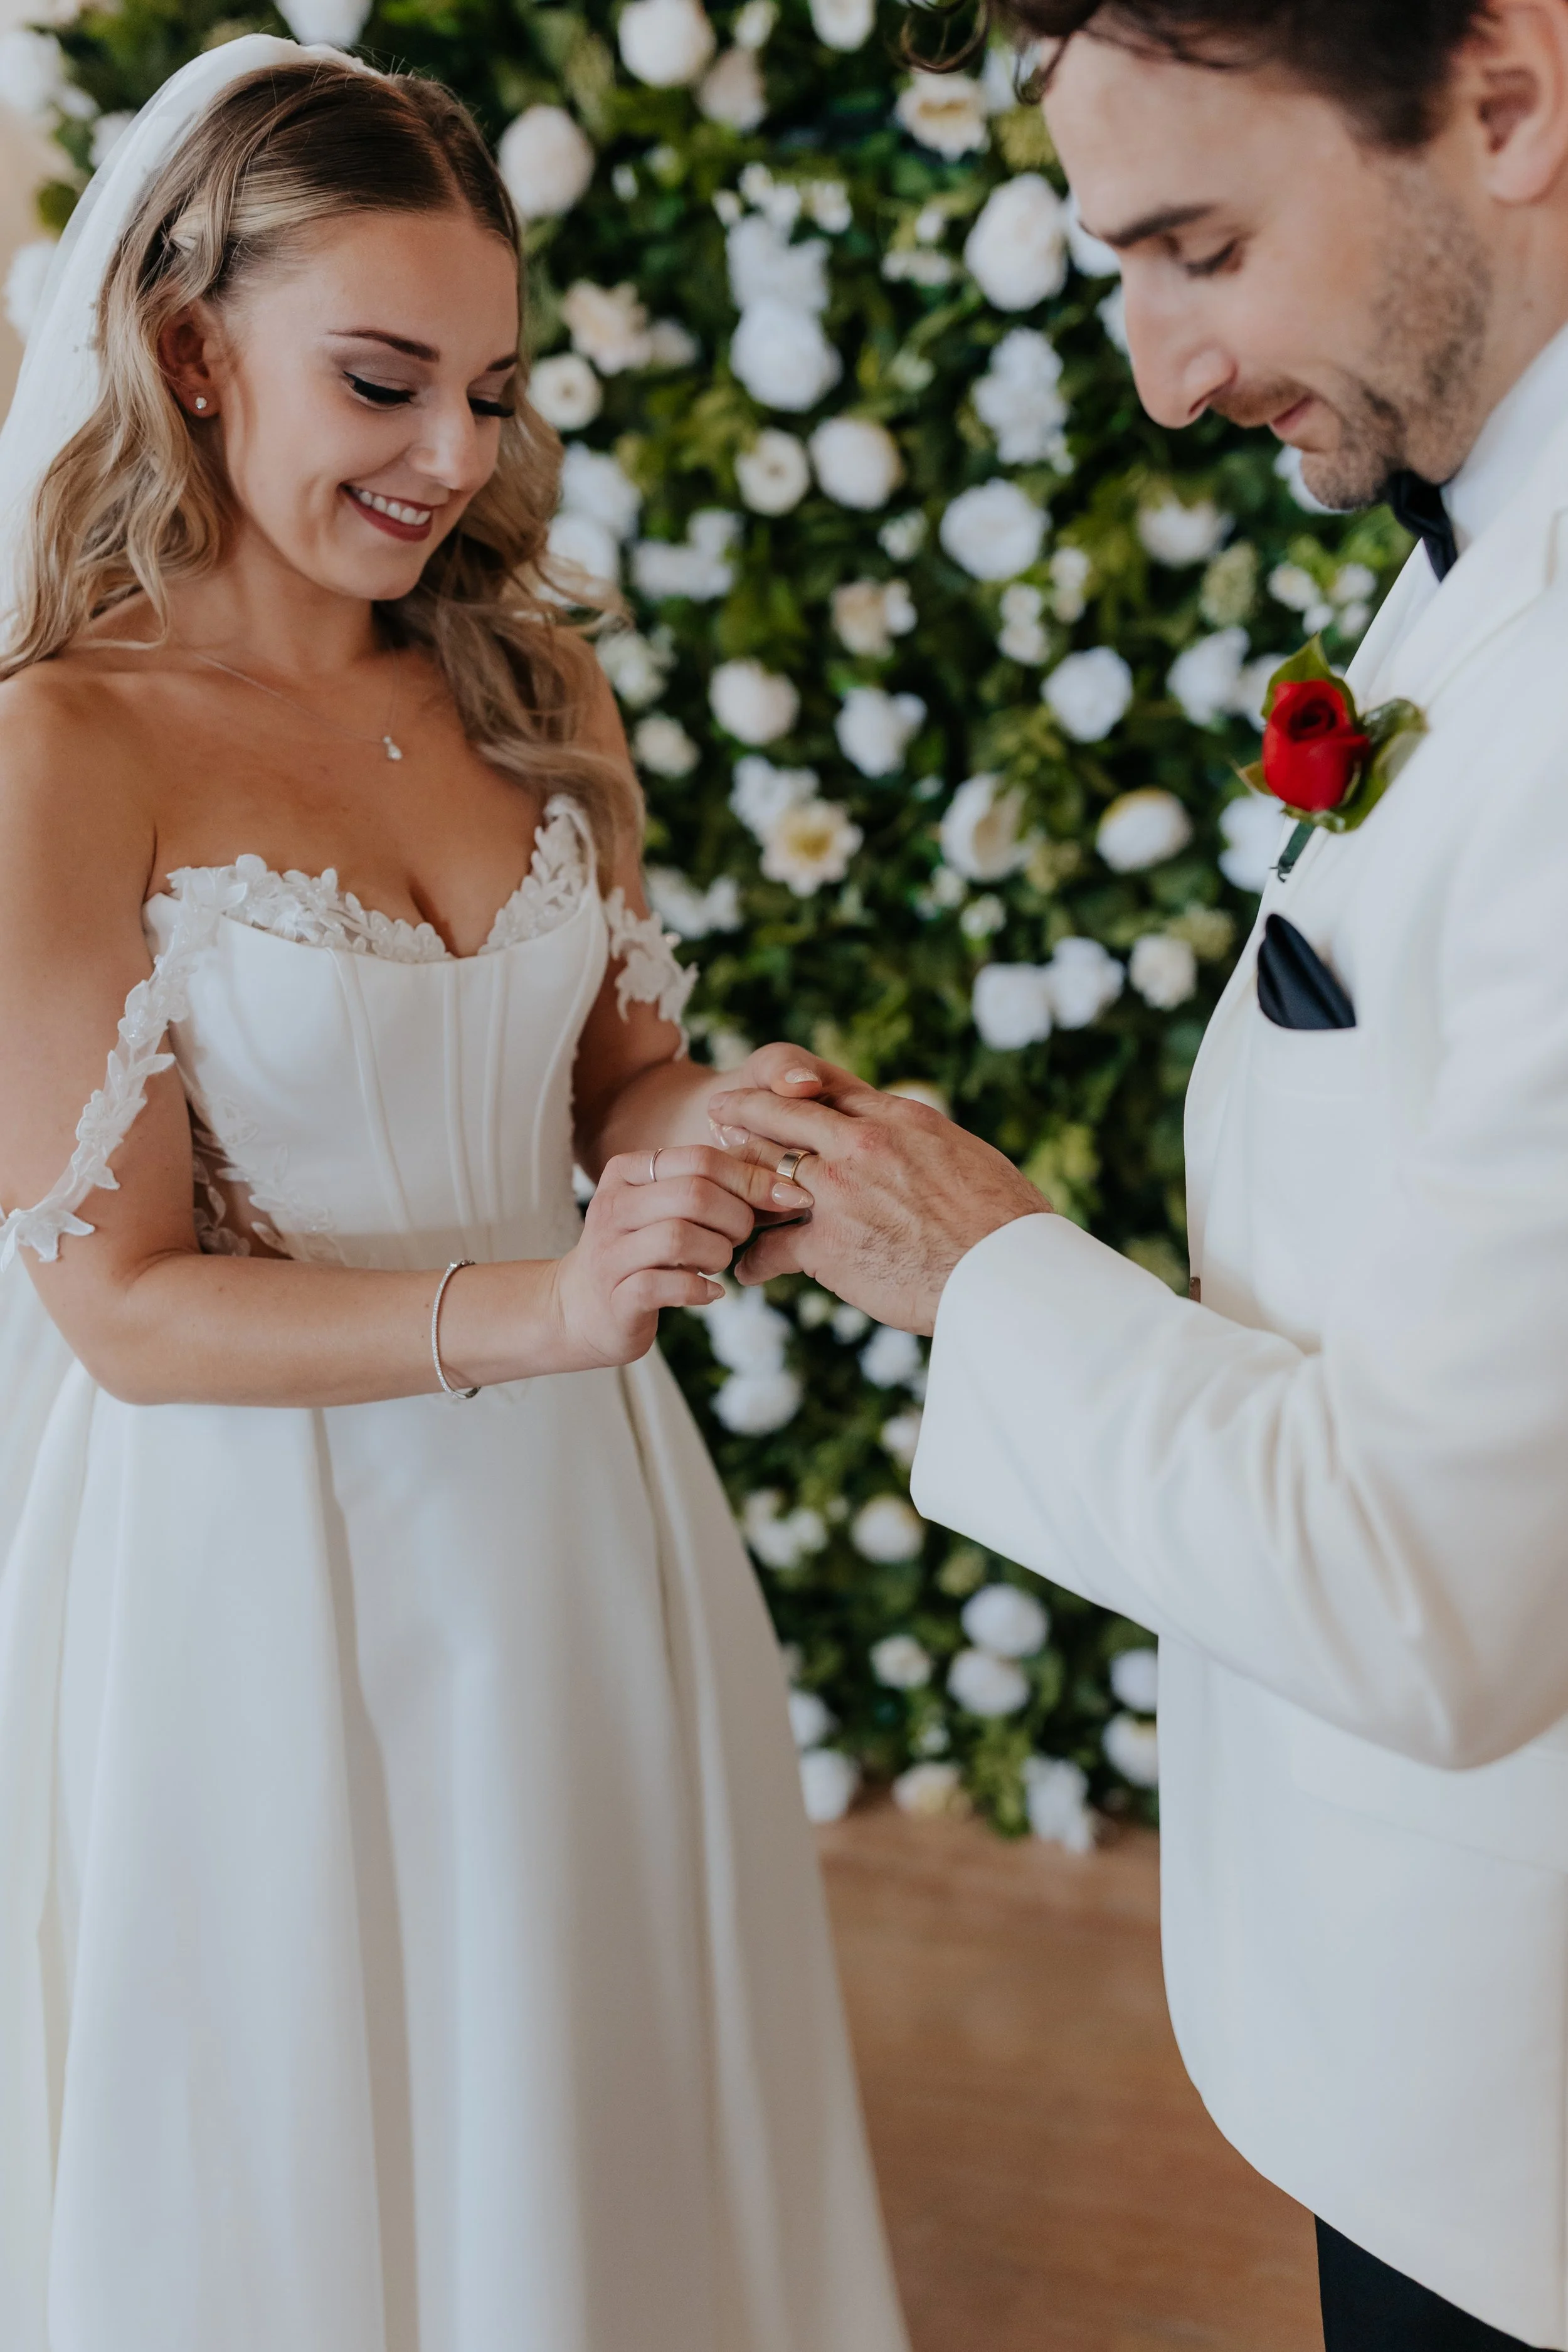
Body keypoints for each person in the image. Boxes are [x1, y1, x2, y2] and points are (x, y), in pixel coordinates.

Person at [0, 40, 910, 2352]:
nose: (451, 461)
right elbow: (119, 1306)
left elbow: (608, 1071)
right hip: (260, 1574)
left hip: (580, 1530)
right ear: (192, 350)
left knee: (584, 2086)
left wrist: (705, 1129)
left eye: (488, 393)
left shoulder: (525, 678)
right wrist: (541, 1305)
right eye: (383, 383)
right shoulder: (59, 748)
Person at [714, 3, 1568, 2344]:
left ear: (1505, 95)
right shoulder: (1485, 531)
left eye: (1196, 245)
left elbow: (1426, 1587)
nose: (1162, 373)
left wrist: (971, 1266)